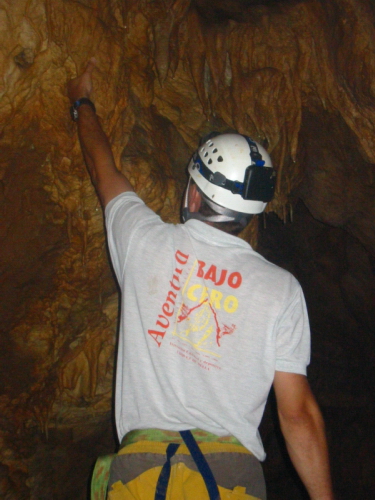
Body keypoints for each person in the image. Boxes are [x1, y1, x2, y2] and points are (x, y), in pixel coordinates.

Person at [68, 59, 334, 500]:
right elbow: (298, 415)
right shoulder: (281, 290)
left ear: (193, 192)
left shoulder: (143, 241)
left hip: (142, 475)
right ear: (251, 214)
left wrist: (82, 102)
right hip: (232, 479)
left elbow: (104, 171)